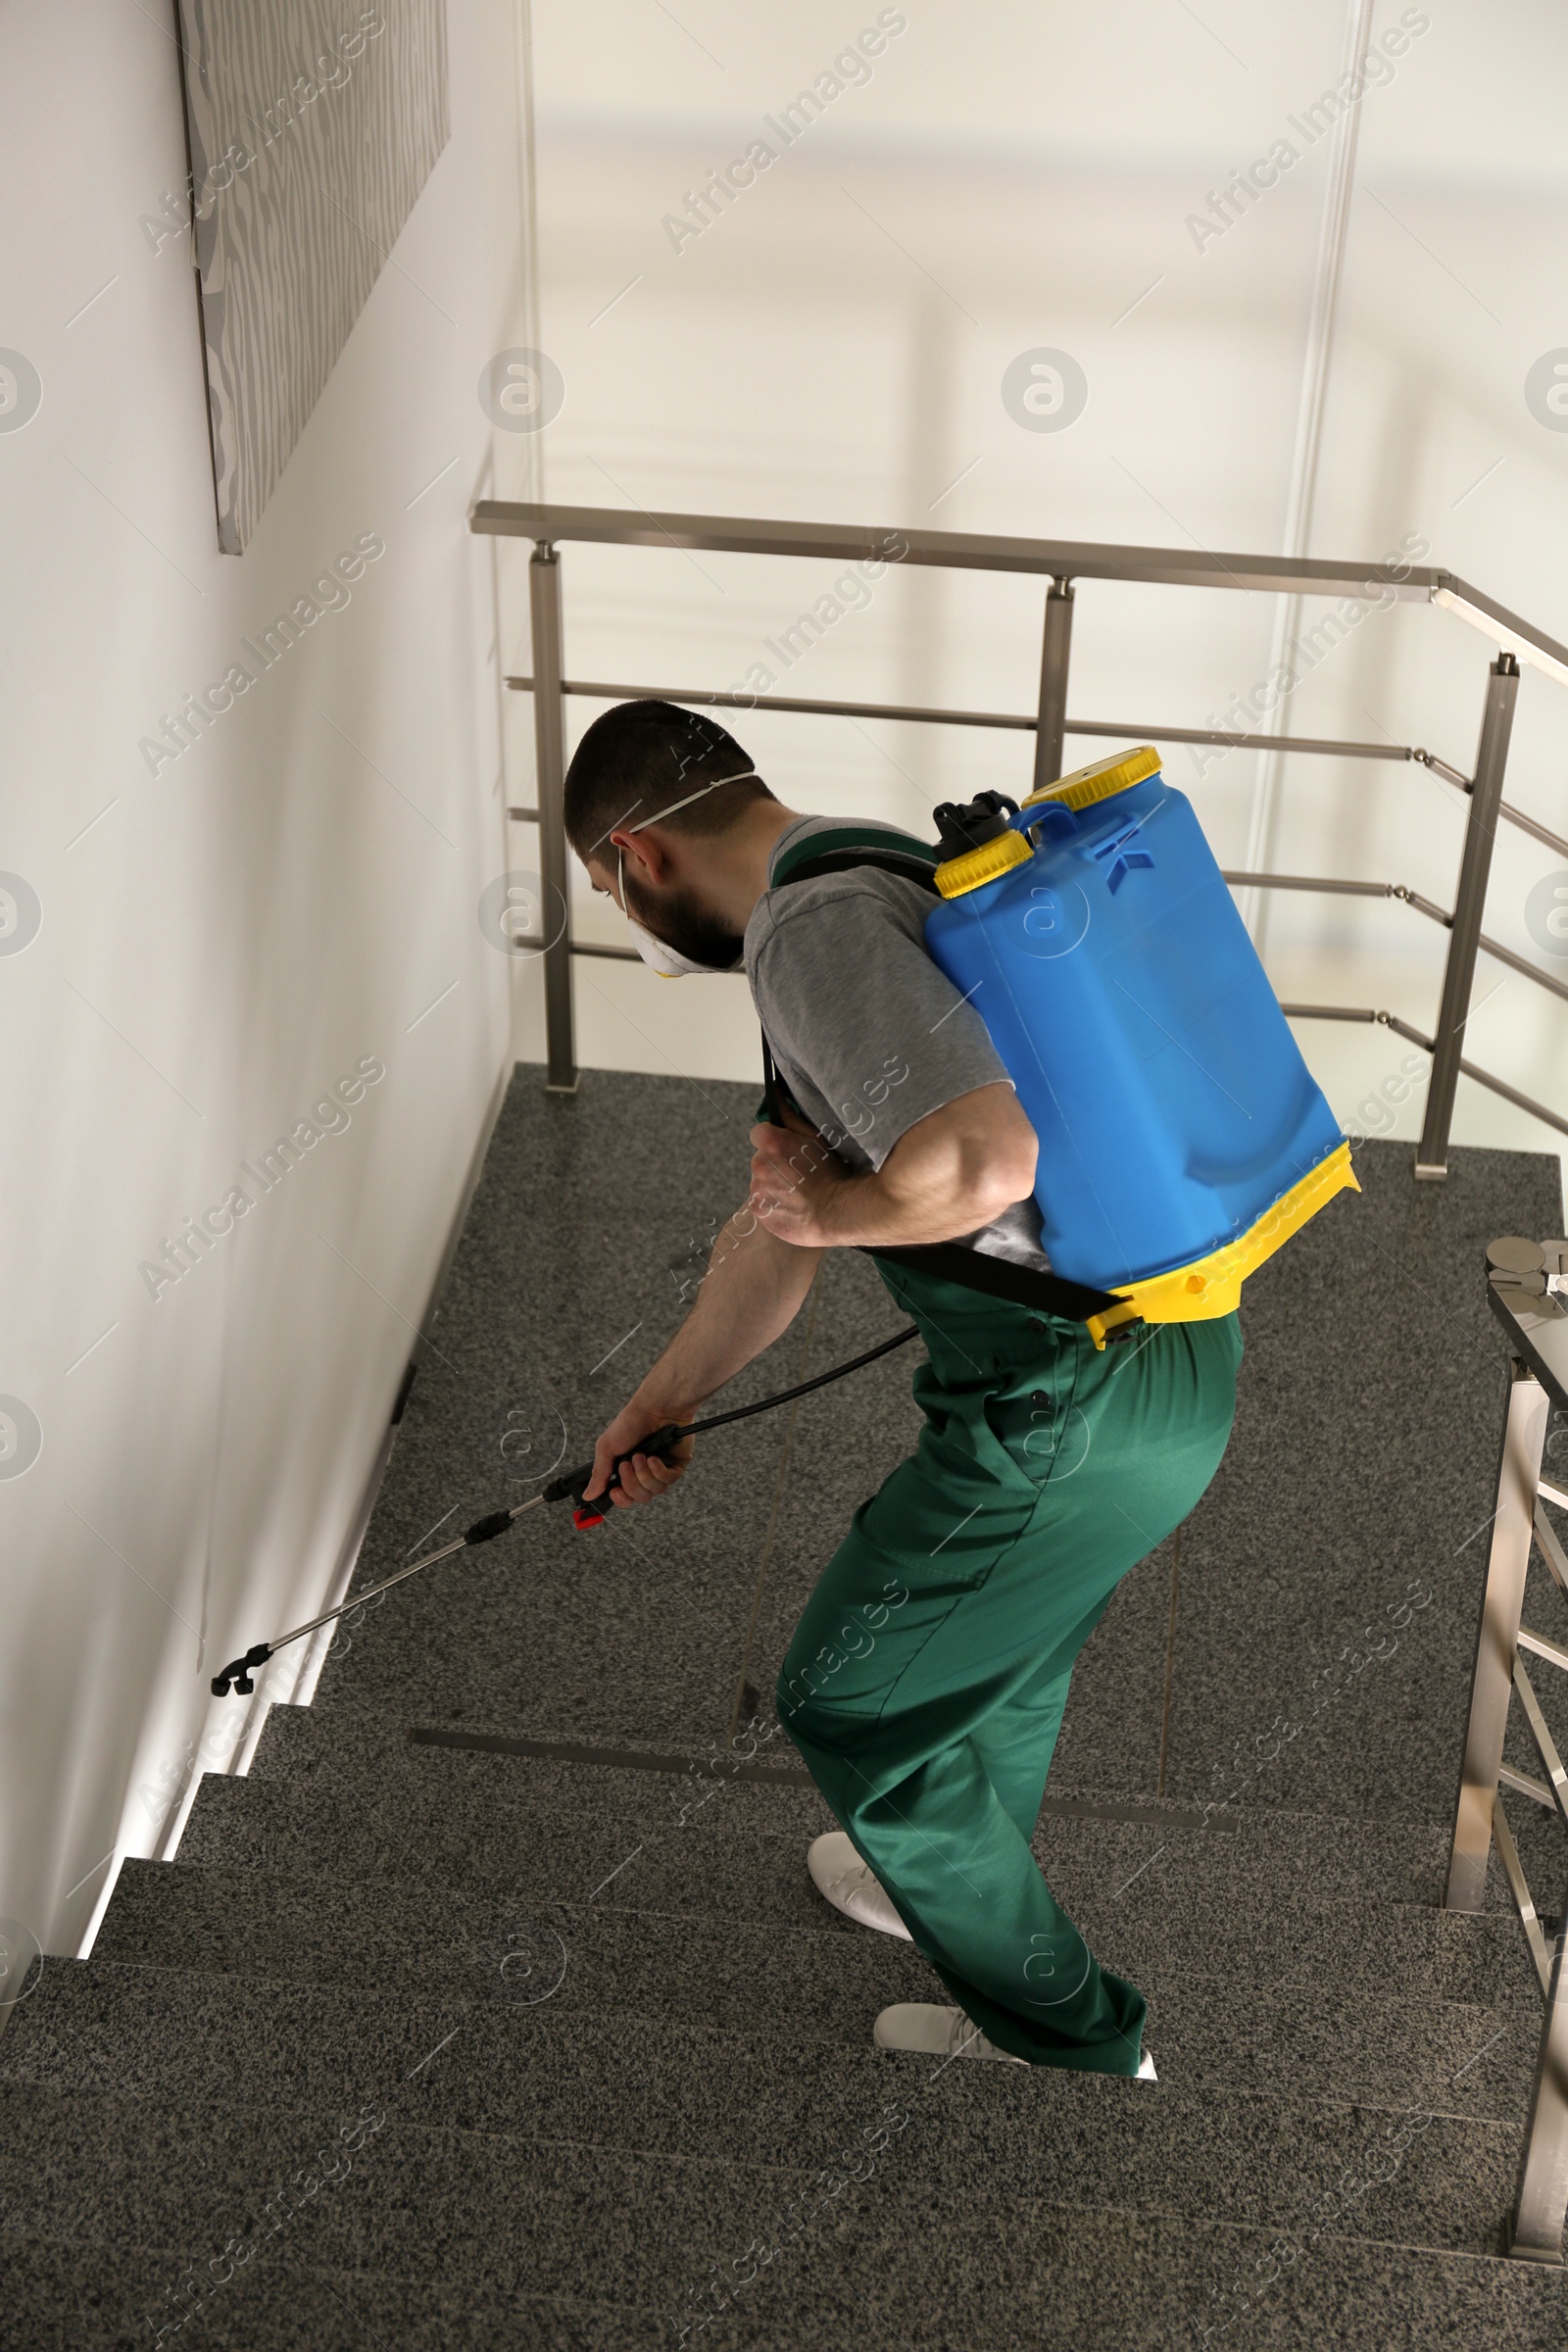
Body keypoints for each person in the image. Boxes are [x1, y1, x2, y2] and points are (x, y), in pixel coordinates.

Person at [567, 698, 1241, 2074]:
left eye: (611, 900)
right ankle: (916, 1877)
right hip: (1171, 1360)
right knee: (1003, 1650)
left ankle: (1072, 2042)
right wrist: (668, 1396)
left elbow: (983, 1168)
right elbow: (778, 1223)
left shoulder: (805, 939)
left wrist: (835, 1214)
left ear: (639, 856)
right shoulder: (870, 865)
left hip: (1063, 1412)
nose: (636, 930)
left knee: (848, 1701)